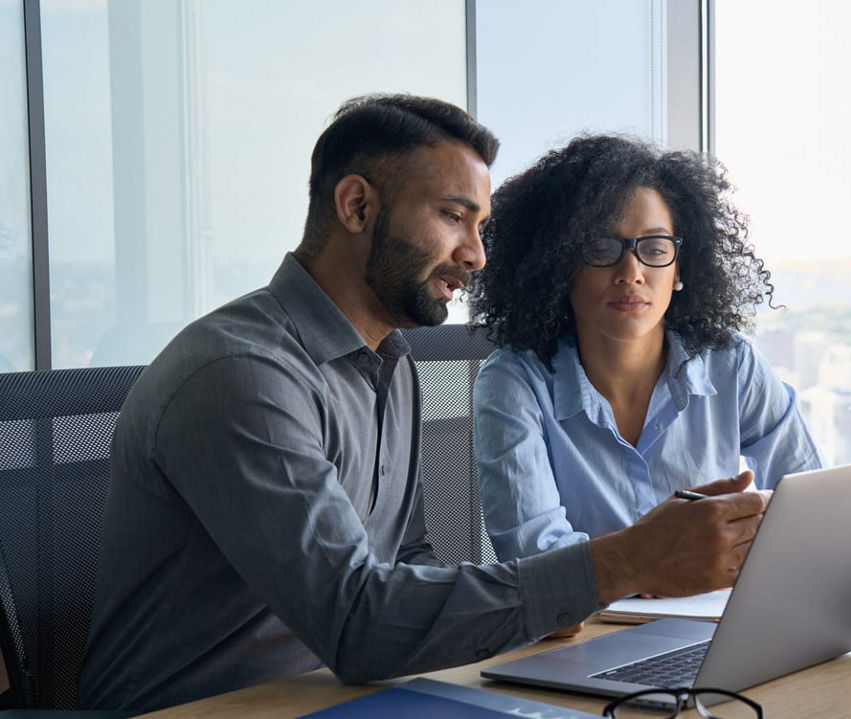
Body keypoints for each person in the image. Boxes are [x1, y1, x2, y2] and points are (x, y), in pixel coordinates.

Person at [76, 96, 768, 713]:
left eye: (481, 225)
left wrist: (541, 599)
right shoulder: (242, 374)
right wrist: (620, 563)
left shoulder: (391, 363)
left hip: (348, 695)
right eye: (453, 217)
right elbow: (357, 622)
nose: (476, 255)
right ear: (357, 206)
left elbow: (407, 558)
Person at [469, 135, 822, 565]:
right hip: (586, 629)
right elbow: (535, 559)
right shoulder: (514, 382)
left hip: (718, 619)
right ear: (560, 264)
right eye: (602, 248)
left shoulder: (732, 364)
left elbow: (810, 503)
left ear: (679, 269)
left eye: (655, 249)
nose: (631, 272)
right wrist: (652, 566)